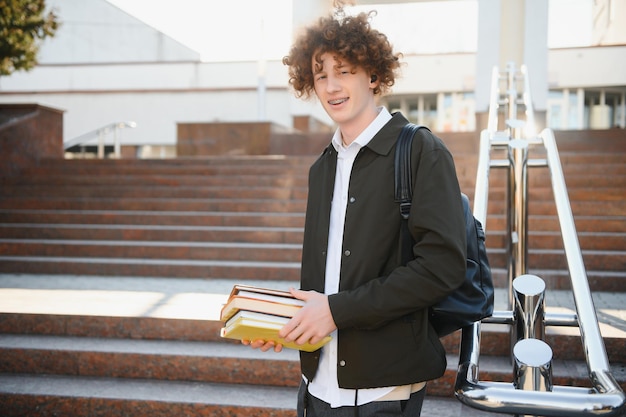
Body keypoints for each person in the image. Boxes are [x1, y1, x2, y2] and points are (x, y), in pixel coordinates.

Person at [244, 7, 467, 417]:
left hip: (383, 393)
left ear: (374, 76)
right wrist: (288, 324)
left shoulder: (421, 151)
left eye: (344, 71)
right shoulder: (322, 167)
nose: (331, 86)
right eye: (320, 74)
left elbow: (442, 268)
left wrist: (335, 311)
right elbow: (324, 282)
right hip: (316, 389)